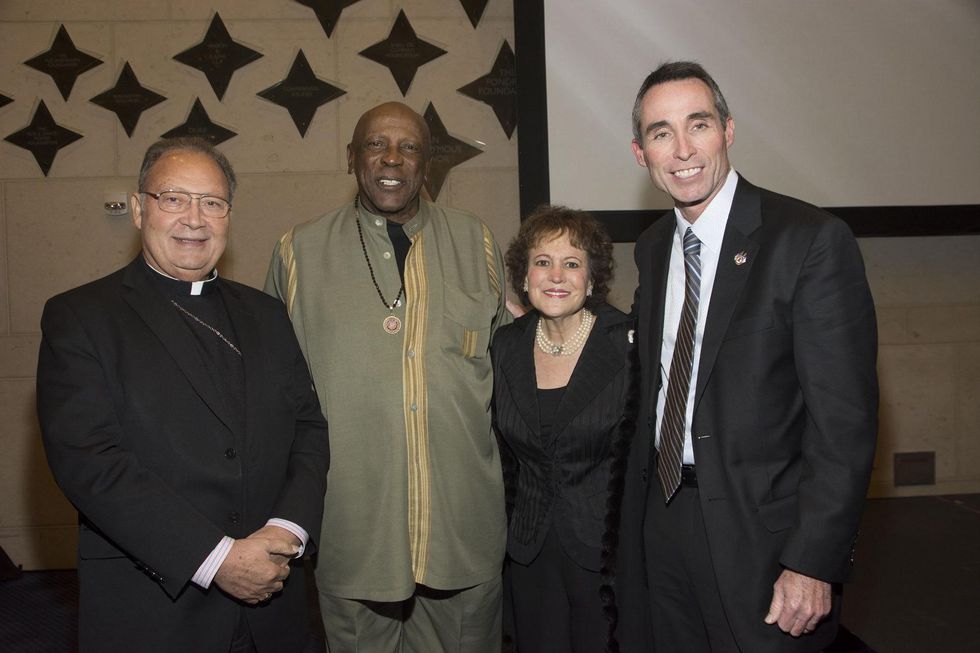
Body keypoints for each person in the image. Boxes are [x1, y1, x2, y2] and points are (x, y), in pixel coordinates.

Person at [617, 61, 878, 652]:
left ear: (728, 130)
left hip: (762, 542)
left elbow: (845, 424)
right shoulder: (655, 247)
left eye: (698, 125)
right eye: (661, 133)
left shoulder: (808, 240)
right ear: (641, 153)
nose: (682, 149)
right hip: (661, 524)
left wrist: (814, 561)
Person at [36, 137, 330, 653]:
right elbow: (91, 461)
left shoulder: (266, 314)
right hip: (155, 609)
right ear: (137, 209)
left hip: (275, 604)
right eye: (173, 198)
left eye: (212, 203)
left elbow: (308, 428)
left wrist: (286, 531)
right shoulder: (82, 317)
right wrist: (217, 558)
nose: (195, 219)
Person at [265, 102, 511, 651]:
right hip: (353, 526)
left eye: (410, 147)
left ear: (427, 163)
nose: (392, 159)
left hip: (462, 523)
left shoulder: (479, 243)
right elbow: (272, 398)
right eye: (376, 145)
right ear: (352, 157)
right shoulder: (298, 252)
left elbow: (511, 370)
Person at [491, 206, 638, 652]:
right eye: (542, 262)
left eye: (572, 263)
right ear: (524, 276)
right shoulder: (505, 347)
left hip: (608, 557)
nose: (556, 275)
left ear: (592, 280)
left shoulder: (628, 345)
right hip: (530, 552)